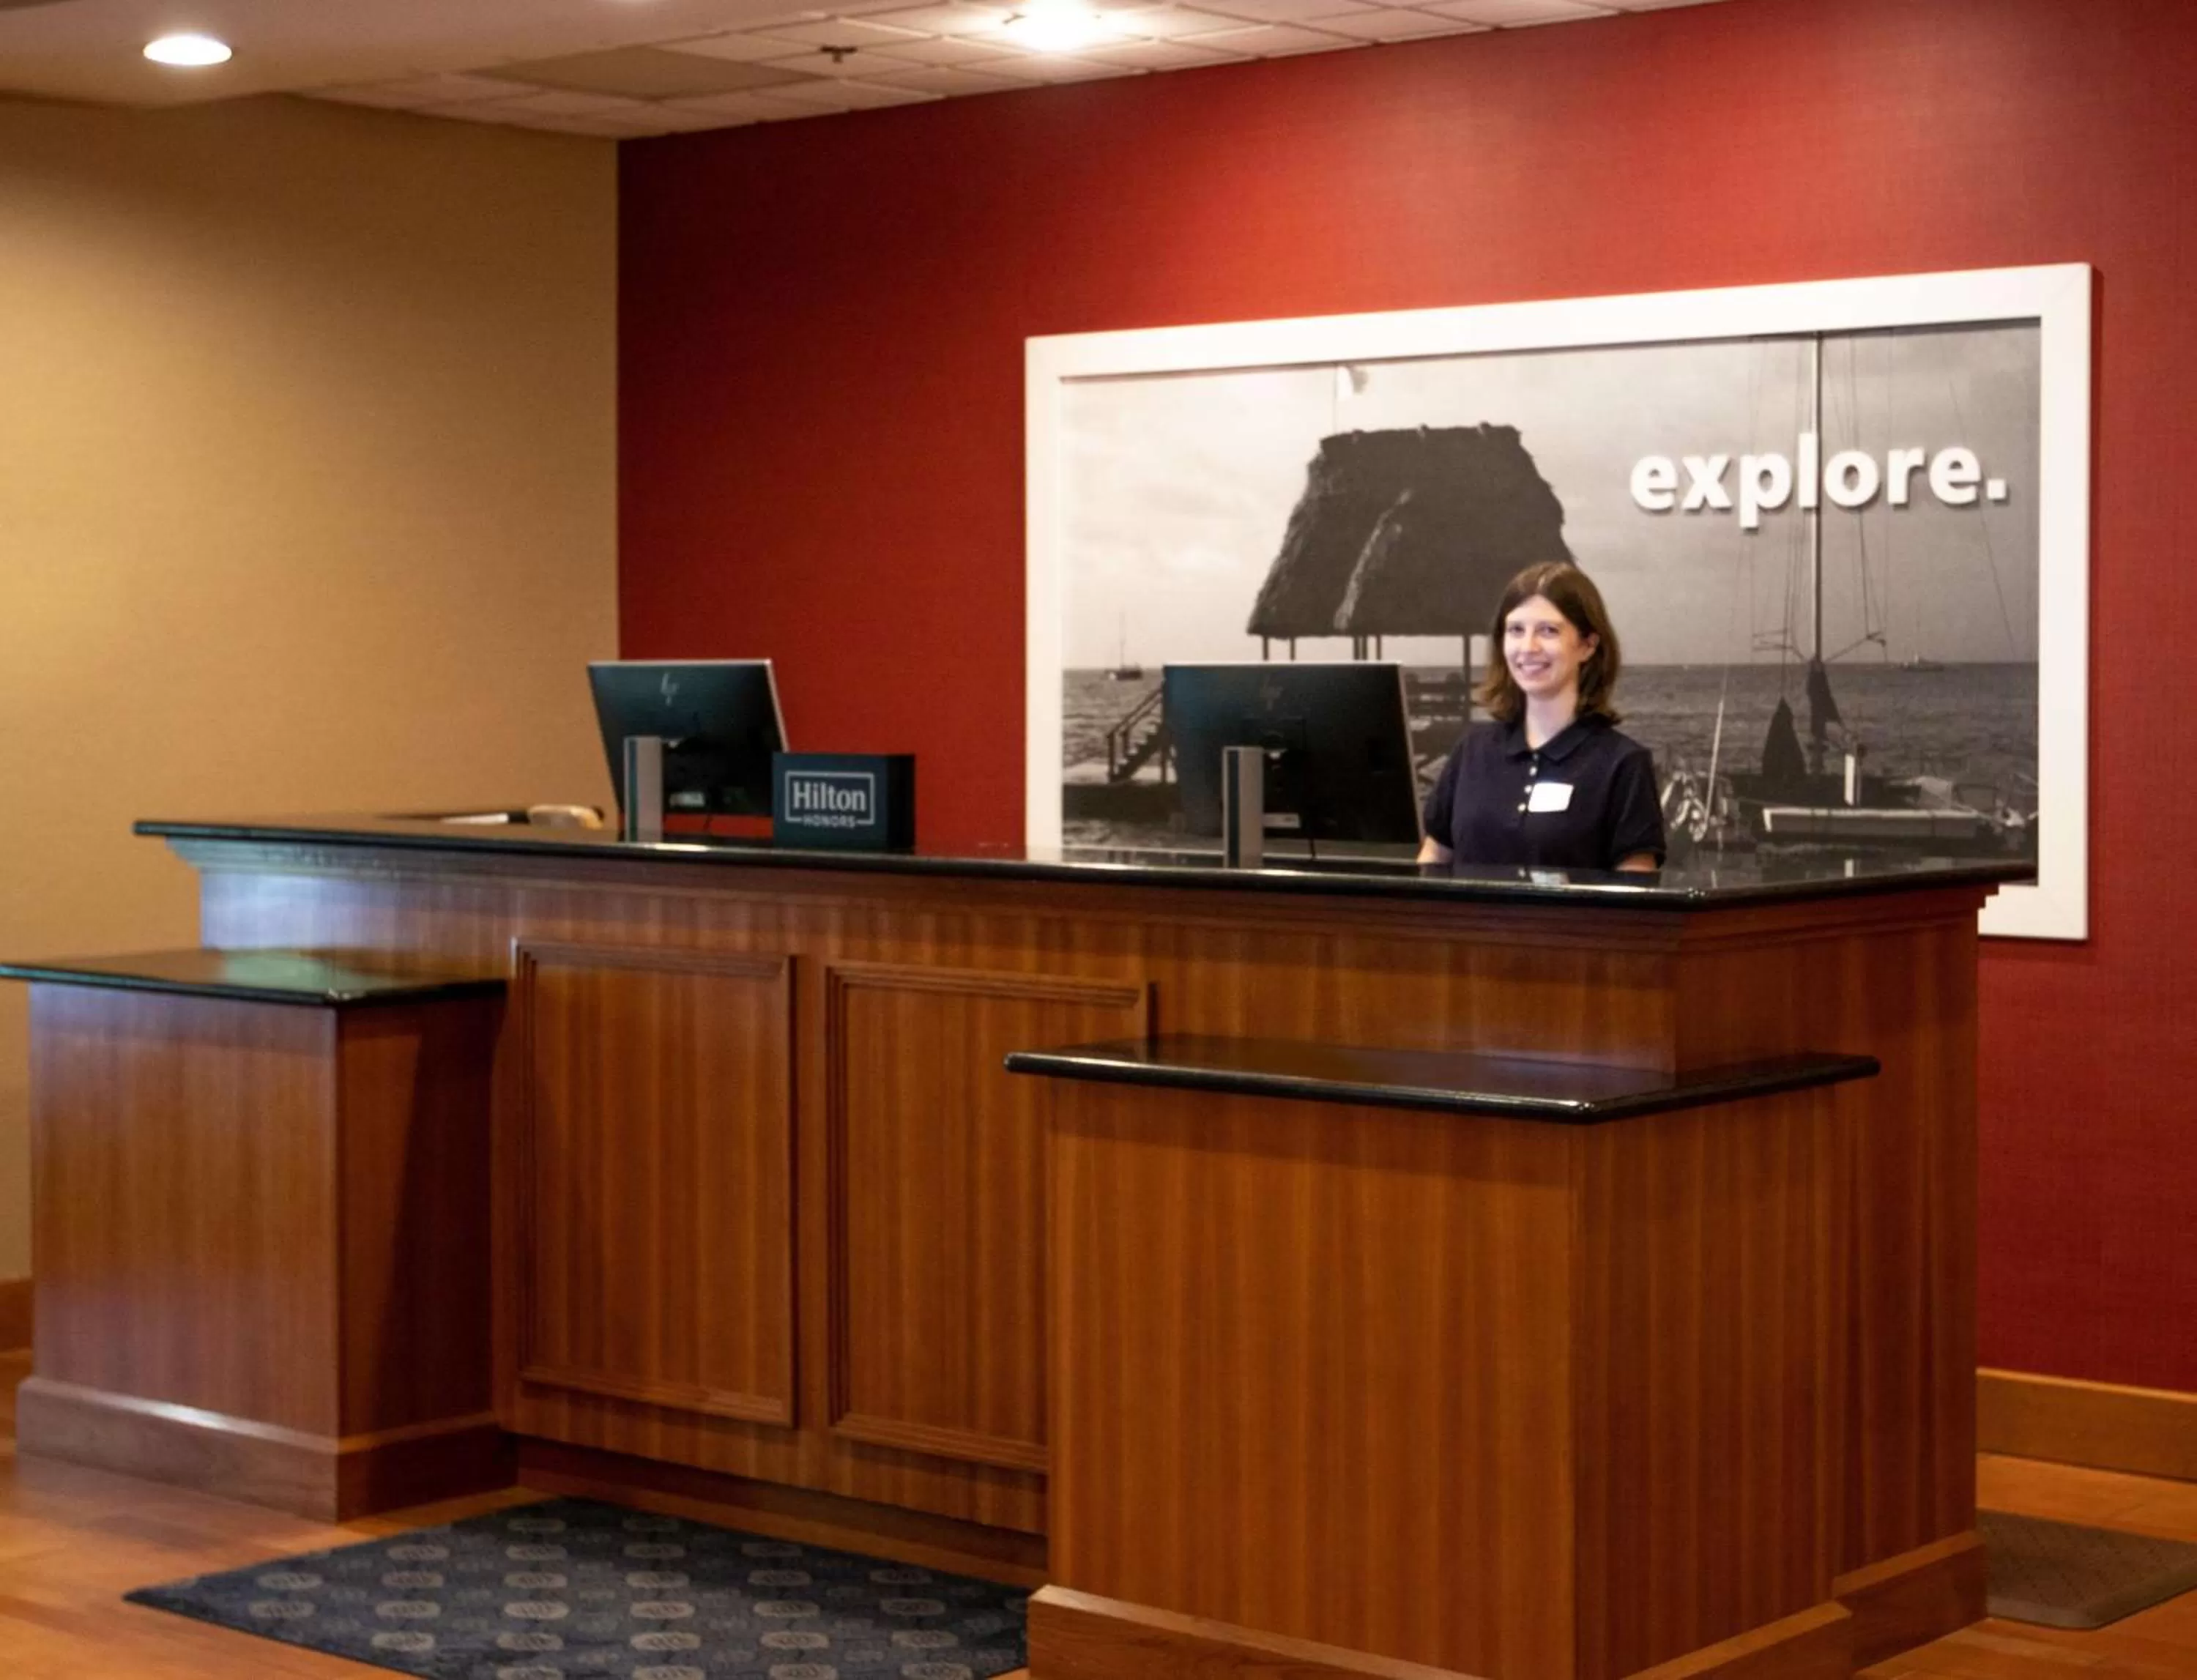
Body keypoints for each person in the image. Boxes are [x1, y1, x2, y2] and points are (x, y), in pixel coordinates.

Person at [1418, 560, 1665, 873]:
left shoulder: (1623, 765)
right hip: (1468, 924)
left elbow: (1637, 899)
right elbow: (1434, 858)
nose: (1528, 647)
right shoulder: (1471, 751)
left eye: (1548, 631)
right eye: (1516, 630)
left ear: (1588, 645)